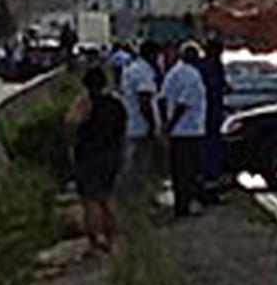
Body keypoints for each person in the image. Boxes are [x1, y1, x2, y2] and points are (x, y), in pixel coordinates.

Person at [66, 66, 127, 253]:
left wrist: (71, 143)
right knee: (107, 198)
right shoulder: (116, 104)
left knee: (89, 201)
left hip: (89, 156)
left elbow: (70, 123)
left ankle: (94, 242)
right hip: (112, 154)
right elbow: (122, 129)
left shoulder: (84, 103)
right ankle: (111, 239)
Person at [159, 41, 208, 217]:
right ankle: (185, 206)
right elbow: (183, 103)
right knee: (188, 171)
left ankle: (182, 204)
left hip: (178, 131)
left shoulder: (173, 72)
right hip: (189, 129)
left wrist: (165, 123)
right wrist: (171, 123)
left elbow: (162, 99)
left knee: (178, 171)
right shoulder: (192, 75)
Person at [119, 40, 160, 197]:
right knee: (138, 164)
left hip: (130, 122)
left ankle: (128, 196)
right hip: (140, 125)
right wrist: (152, 124)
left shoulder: (131, 68)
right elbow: (145, 100)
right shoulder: (144, 72)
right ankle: (133, 196)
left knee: (129, 162)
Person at [198, 38, 226, 202]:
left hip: (209, 115)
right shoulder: (212, 67)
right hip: (209, 115)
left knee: (209, 152)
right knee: (210, 153)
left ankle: (210, 188)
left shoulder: (206, 66)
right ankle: (209, 189)